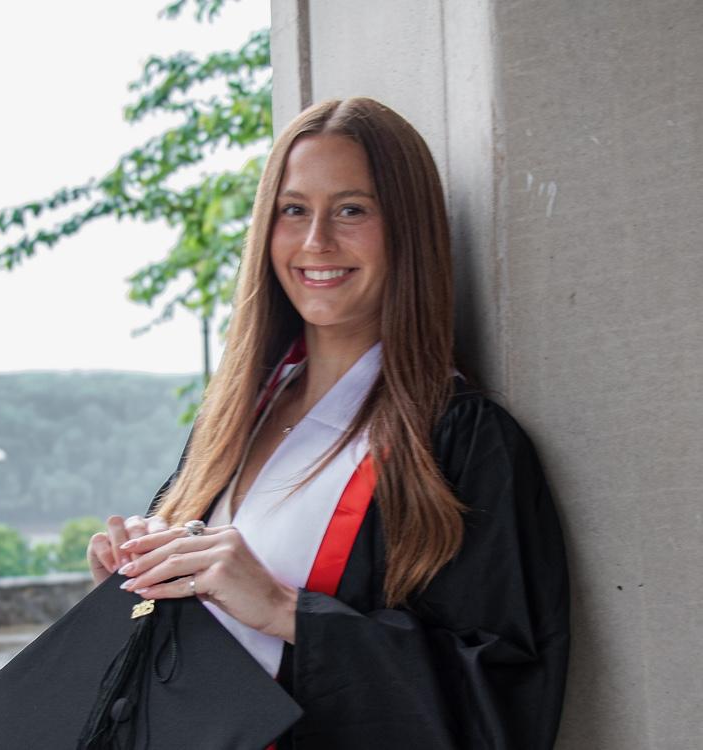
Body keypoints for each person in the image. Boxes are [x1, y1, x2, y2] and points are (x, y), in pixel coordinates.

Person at [87, 96, 570, 749]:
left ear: (406, 230)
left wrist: (286, 612)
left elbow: (504, 703)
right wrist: (139, 581)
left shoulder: (461, 444)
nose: (316, 241)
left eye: (351, 210)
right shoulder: (231, 424)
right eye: (293, 210)